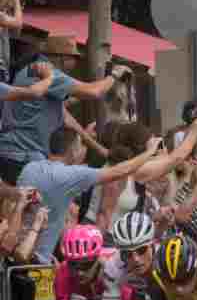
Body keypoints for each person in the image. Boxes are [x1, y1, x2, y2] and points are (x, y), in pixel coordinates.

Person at [17, 127, 162, 264]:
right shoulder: (69, 175)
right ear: (73, 151)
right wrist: (150, 152)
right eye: (81, 146)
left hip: (16, 251)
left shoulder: (30, 168)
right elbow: (119, 171)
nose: (84, 151)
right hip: (37, 261)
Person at [0, 37, 118, 184]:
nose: (75, 63)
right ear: (63, 58)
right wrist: (114, 75)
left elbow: (65, 116)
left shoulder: (29, 70)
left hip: (13, 153)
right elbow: (94, 91)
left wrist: (98, 147)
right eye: (74, 58)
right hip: (24, 155)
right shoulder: (49, 74)